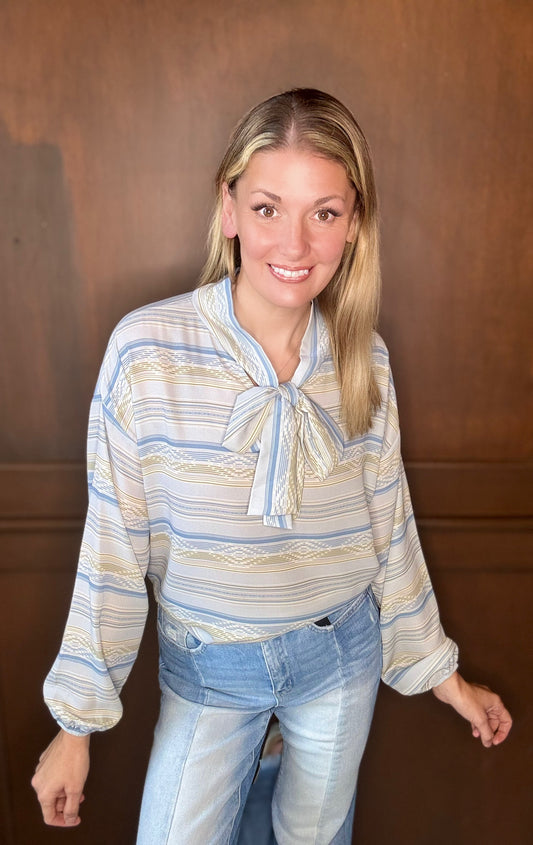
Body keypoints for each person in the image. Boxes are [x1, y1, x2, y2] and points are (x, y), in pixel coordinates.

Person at [32, 88, 512, 844]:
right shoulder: (146, 352)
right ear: (228, 209)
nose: (294, 245)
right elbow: (112, 553)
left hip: (340, 657)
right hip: (208, 673)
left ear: (353, 224)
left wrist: (444, 677)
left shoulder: (366, 361)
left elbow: (390, 527)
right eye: (266, 208)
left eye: (323, 212)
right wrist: (76, 726)